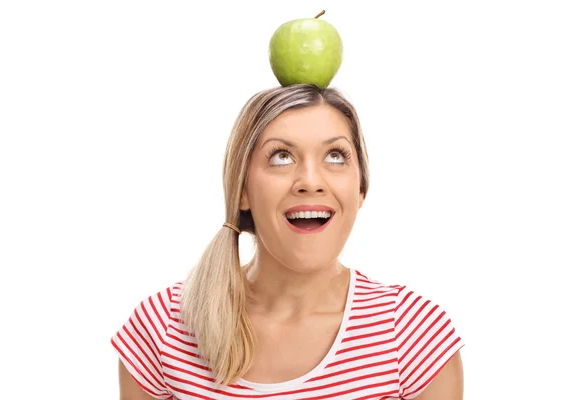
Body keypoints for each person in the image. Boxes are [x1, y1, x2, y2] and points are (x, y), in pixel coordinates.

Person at [111, 84, 465, 399]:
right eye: (282, 157)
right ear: (243, 190)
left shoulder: (414, 334)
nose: (310, 181)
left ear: (360, 190)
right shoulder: (161, 328)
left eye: (335, 156)